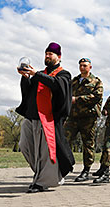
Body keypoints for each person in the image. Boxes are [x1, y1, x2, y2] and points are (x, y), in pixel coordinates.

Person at [16, 42, 75, 193]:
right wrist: (25, 77)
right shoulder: (39, 74)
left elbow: (56, 85)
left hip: (47, 119)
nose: (47, 56)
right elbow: (28, 91)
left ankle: (41, 182)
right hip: (32, 117)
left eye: (51, 54)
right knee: (24, 145)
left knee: (45, 152)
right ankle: (41, 174)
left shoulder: (64, 74)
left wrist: (37, 75)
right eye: (46, 53)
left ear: (59, 57)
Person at [64, 57, 103, 182]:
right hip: (73, 117)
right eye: (80, 65)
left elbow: (96, 97)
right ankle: (65, 165)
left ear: (90, 67)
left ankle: (86, 170)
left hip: (88, 118)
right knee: (64, 140)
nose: (82, 67)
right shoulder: (74, 81)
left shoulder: (96, 81)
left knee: (88, 144)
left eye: (85, 65)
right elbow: (66, 95)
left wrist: (77, 99)